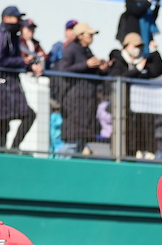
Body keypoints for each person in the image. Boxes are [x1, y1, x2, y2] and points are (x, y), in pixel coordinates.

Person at [0, 7, 42, 152]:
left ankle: (5, 150)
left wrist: (28, 66)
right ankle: (6, 151)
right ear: (6, 18)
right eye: (16, 18)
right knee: (7, 120)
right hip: (1, 85)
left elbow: (11, 60)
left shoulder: (11, 35)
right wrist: (22, 62)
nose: (19, 21)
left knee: (5, 122)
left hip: (8, 83)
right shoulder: (1, 35)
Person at [107, 32, 162, 159]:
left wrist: (155, 51)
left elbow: (158, 70)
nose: (138, 49)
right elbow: (118, 77)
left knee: (143, 129)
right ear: (127, 46)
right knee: (125, 133)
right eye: (135, 46)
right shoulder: (119, 61)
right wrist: (136, 69)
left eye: (140, 46)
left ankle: (144, 151)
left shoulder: (143, 61)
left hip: (141, 107)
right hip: (123, 108)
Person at [57, 21, 108, 155]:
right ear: (80, 35)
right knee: (72, 141)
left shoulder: (86, 50)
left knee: (80, 141)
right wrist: (86, 64)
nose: (91, 37)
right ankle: (65, 166)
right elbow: (63, 70)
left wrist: (101, 68)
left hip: (86, 102)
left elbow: (91, 72)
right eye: (89, 34)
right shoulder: (71, 49)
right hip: (75, 101)